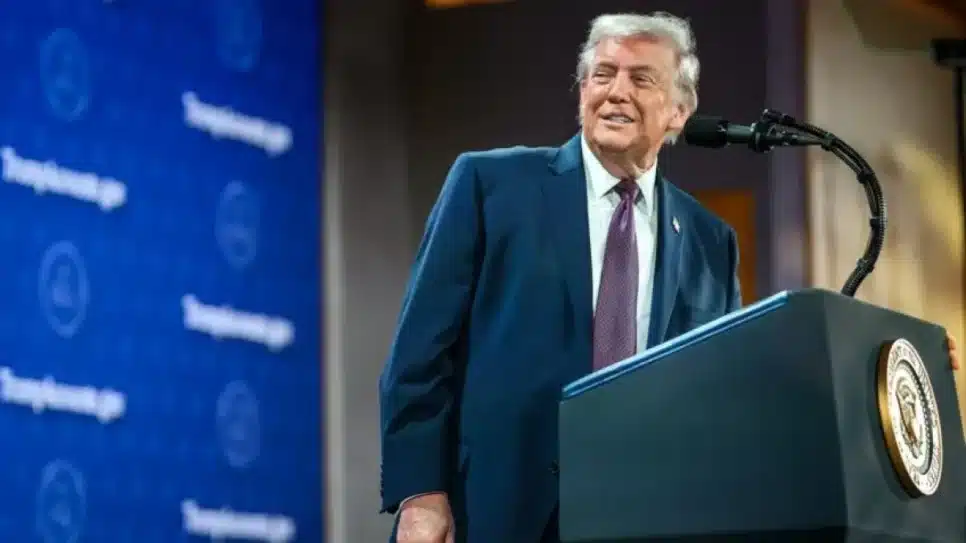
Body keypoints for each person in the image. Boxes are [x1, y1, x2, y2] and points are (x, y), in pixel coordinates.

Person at [378, 11, 961, 543]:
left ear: (679, 112)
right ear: (582, 91)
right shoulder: (489, 186)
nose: (616, 92)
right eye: (602, 74)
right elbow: (419, 356)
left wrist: (874, 368)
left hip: (645, 515)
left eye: (641, 79)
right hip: (499, 510)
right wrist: (420, 494)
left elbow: (728, 386)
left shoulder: (710, 240)